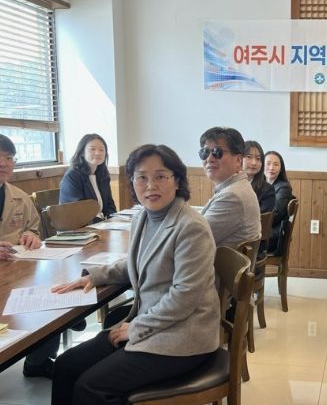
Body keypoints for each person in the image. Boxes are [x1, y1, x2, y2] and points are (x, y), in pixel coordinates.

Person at [51, 144, 221, 405]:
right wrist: (94, 277)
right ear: (132, 182)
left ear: (177, 181)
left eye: (160, 176)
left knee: (90, 387)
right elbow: (136, 264)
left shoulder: (191, 227)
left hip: (183, 336)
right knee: (65, 365)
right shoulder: (143, 217)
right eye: (141, 177)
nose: (150, 185)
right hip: (154, 323)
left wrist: (137, 327)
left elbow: (184, 296)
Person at [0, 135, 50, 378]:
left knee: (50, 298)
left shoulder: (19, 196)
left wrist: (31, 236)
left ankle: (37, 362)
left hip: (16, 271)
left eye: (8, 158)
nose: (3, 163)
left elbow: (33, 227)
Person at [200, 127, 260, 247]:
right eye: (205, 152)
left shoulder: (232, 196)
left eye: (217, 152)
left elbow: (193, 237)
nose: (209, 159)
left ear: (238, 160)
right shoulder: (238, 186)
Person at [60, 134, 117, 220]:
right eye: (92, 149)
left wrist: (114, 221)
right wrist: (102, 223)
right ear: (82, 152)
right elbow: (77, 212)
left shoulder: (103, 175)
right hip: (79, 226)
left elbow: (109, 206)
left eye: (101, 150)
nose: (97, 153)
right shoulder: (72, 176)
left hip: (100, 224)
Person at [264, 150, 293, 253]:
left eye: (276, 164)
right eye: (268, 163)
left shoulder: (284, 188)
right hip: (261, 233)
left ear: (281, 169)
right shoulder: (259, 185)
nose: (271, 167)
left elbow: (275, 215)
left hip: (272, 238)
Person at [243, 140, 275, 213]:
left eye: (258, 158)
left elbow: (262, 217)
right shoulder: (229, 184)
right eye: (249, 157)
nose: (254, 163)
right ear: (238, 159)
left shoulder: (267, 190)